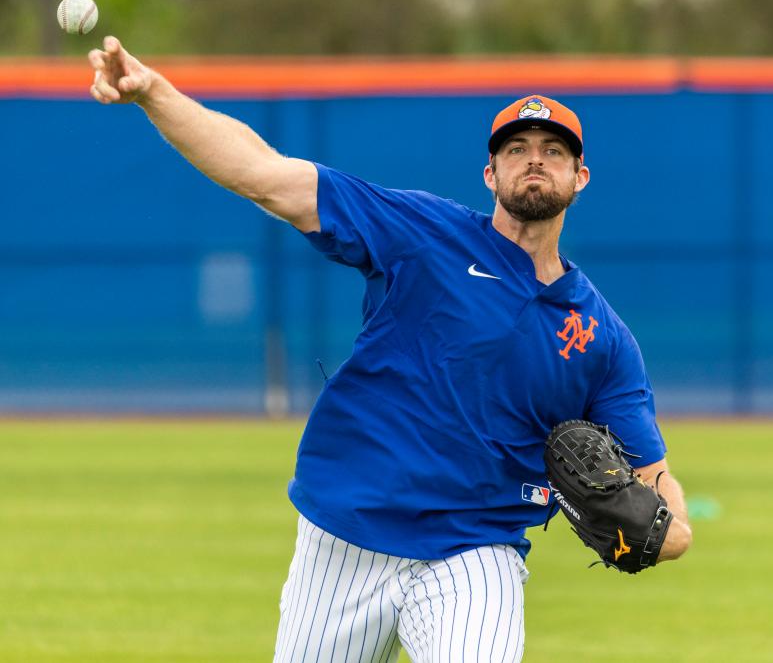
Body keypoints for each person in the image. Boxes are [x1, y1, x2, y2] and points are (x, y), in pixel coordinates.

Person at [88, 35, 693, 663]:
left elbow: (654, 477)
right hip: (344, 536)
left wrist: (673, 533)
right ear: (491, 173)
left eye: (553, 151)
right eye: (516, 149)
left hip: (474, 553)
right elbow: (264, 176)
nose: (533, 161)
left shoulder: (602, 336)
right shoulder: (421, 235)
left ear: (579, 177)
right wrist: (154, 93)